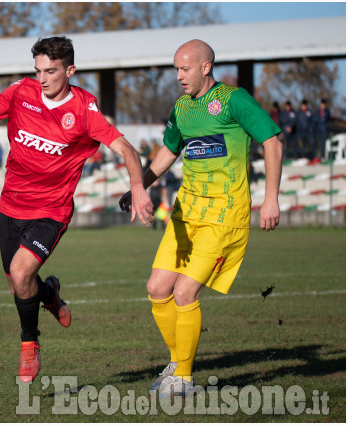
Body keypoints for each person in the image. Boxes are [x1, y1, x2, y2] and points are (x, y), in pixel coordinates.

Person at [0, 35, 153, 383]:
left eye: (51, 71)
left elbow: (129, 151)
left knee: (22, 275)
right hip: (11, 206)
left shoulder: (85, 110)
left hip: (50, 211)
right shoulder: (19, 93)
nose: (42, 79)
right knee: (17, 284)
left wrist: (138, 187)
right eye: (38, 70)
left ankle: (29, 344)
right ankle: (50, 294)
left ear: (70, 70)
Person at [119, 39, 282, 399]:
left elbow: (273, 142)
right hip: (187, 213)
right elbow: (166, 154)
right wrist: (138, 187)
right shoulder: (181, 109)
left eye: (185, 68)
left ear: (206, 68)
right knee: (157, 289)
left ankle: (185, 379)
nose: (179, 76)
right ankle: (177, 364)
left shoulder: (234, 100)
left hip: (224, 216)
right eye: (176, 68)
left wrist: (271, 199)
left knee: (184, 291)